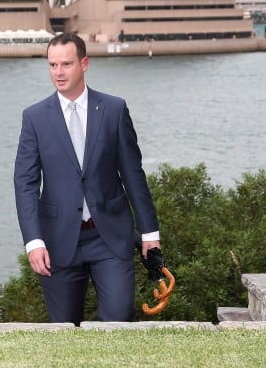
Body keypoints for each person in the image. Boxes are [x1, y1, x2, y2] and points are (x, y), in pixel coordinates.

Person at [14, 32, 160, 325]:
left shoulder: (114, 110)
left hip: (110, 237)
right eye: (53, 65)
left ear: (84, 64)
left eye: (66, 64)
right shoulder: (34, 117)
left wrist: (150, 234)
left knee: (118, 321)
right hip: (57, 242)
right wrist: (33, 241)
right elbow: (25, 184)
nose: (58, 72)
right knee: (65, 329)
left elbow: (133, 174)